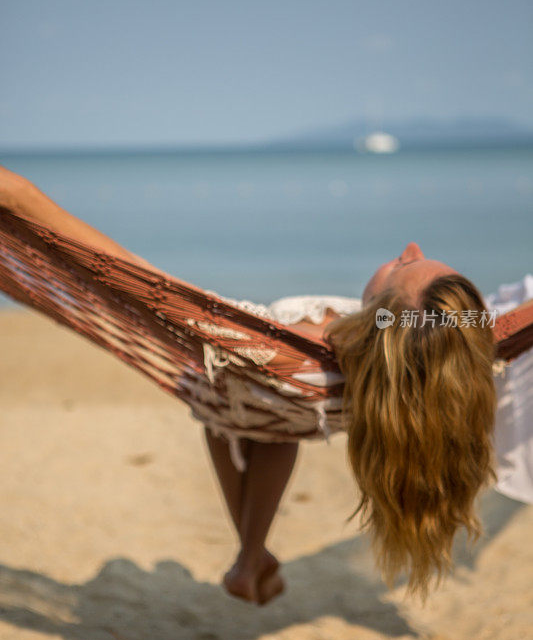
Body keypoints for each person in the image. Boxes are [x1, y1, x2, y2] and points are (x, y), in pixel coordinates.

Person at [0, 166, 527, 606]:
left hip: (237, 397)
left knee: (242, 419)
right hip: (291, 411)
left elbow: (131, 275)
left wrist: (19, 196)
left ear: (379, 319)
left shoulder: (299, 345)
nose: (410, 247)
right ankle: (250, 559)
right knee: (274, 424)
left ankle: (250, 558)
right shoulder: (454, 351)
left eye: (403, 265)